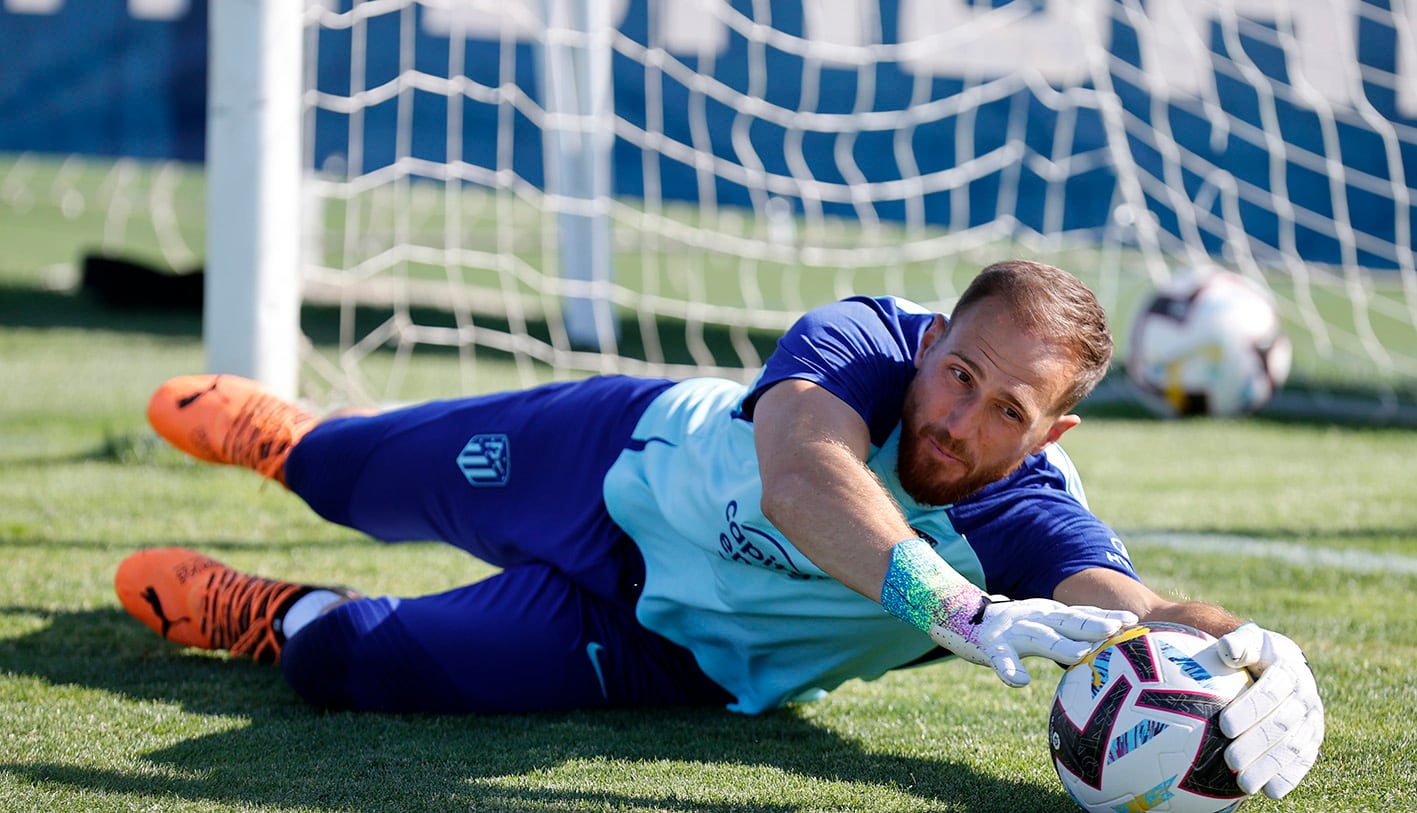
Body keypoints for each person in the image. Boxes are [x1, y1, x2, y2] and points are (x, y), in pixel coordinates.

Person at [116, 260, 1322, 800]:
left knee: (344, 665)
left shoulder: (1028, 516)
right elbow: (803, 480)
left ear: (1047, 437)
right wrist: (952, 609)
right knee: (343, 474)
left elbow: (1144, 615)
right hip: (603, 463)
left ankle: (265, 610)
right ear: (930, 341)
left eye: (1004, 408)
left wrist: (1248, 659)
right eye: (955, 372)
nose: (957, 415)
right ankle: (290, 441)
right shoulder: (859, 338)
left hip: (663, 654)